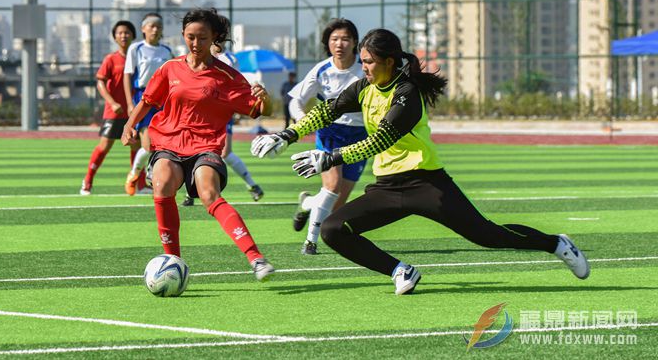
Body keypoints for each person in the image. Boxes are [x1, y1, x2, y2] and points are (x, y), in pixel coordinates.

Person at [252, 28, 590, 295]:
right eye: (364, 61)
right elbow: (326, 111)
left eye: (369, 61)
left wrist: (332, 158)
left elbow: (381, 139)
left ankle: (556, 243)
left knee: (487, 236)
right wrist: (286, 135)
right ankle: (401, 271)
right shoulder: (364, 87)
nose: (364, 66)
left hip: (427, 184)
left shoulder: (407, 93)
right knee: (333, 229)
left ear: (388, 61)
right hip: (386, 187)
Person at [123, 8, 276, 281]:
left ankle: (256, 258)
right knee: (162, 185)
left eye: (202, 38)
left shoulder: (227, 77)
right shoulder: (170, 68)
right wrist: (129, 125)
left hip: (206, 146)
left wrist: (266, 99)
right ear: (183, 36)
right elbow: (147, 101)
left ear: (214, 38)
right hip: (169, 142)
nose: (195, 44)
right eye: (190, 37)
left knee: (208, 193)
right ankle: (173, 263)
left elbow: (259, 109)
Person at [285, 18, 366, 255]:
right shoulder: (322, 69)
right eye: (334, 39)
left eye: (345, 39)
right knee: (332, 187)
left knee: (338, 202)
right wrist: (301, 120)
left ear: (354, 43)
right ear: (328, 43)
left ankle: (308, 204)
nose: (339, 44)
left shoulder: (365, 68)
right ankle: (311, 242)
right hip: (329, 133)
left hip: (360, 137)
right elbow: (295, 99)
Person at [181, 48, 264, 207]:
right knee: (191, 148)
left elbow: (235, 87)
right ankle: (189, 193)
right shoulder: (194, 56)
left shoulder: (230, 59)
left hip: (221, 112)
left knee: (225, 152)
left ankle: (252, 185)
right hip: (198, 111)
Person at [80, 20, 137, 195]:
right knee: (104, 146)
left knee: (136, 146)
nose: (123, 35)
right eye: (120, 33)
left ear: (133, 36)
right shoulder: (111, 59)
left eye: (127, 32)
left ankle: (137, 184)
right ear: (114, 37)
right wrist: (112, 103)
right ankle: (87, 181)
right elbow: (100, 83)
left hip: (134, 111)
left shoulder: (138, 58)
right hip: (114, 112)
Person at [123, 13, 174, 195]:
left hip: (163, 100)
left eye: (158, 26)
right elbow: (128, 75)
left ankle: (152, 176)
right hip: (143, 97)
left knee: (164, 144)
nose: (155, 29)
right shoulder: (136, 49)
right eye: (151, 26)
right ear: (143, 29)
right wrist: (130, 103)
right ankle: (135, 174)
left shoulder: (167, 51)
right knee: (148, 144)